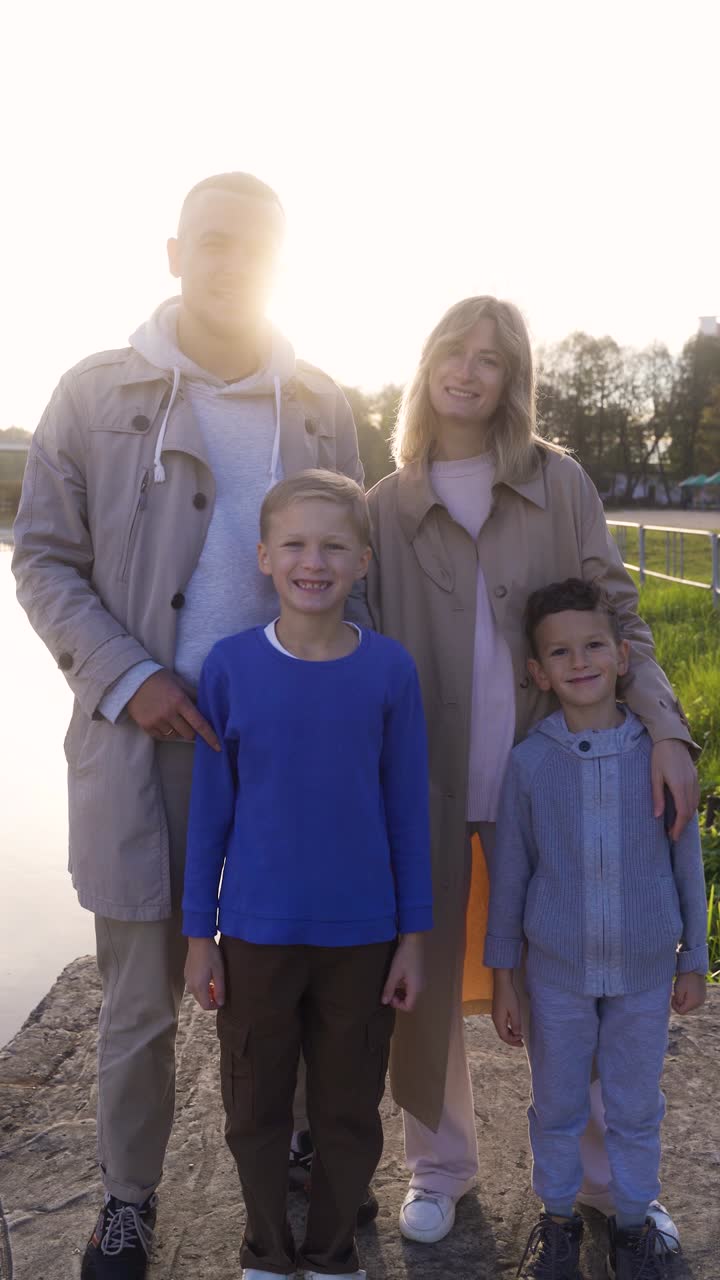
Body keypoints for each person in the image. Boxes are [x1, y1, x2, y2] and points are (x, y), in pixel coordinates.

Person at [12, 173, 371, 1280]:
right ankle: (129, 1198)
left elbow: (349, 568)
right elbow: (43, 557)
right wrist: (129, 676)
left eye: (254, 246)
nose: (230, 262)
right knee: (139, 999)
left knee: (300, 974)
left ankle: (308, 1161)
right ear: (175, 252)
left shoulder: (319, 402)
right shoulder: (93, 392)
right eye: (212, 243)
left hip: (288, 753)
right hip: (143, 741)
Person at [365, 296, 700, 1247]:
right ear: (426, 361)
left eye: (492, 359)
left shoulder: (560, 484)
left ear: (515, 382)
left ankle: (605, 1179)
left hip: (559, 779)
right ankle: (440, 1167)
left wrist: (667, 730)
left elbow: (620, 616)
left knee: (577, 975)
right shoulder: (385, 501)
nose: (468, 371)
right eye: (453, 352)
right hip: (423, 780)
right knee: (422, 985)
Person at [182, 469, 433, 1280]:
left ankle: (331, 1255)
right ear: (262, 556)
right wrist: (199, 936)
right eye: (294, 544)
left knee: (348, 1108)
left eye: (333, 547)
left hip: (364, 937)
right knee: (254, 1103)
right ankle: (266, 1251)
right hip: (254, 934)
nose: (312, 562)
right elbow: (210, 815)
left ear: (363, 561)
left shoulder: (390, 672)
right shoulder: (228, 668)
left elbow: (407, 813)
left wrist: (414, 939)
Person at [485, 577, 708, 1280]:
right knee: (555, 1104)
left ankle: (635, 1227)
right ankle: (555, 1228)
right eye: (560, 651)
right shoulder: (528, 764)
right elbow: (511, 878)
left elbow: (686, 858)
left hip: (644, 973)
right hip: (556, 976)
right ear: (538, 672)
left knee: (636, 1107)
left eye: (593, 646)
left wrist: (693, 957)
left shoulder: (659, 754)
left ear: (620, 657)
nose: (578, 662)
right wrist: (505, 979)